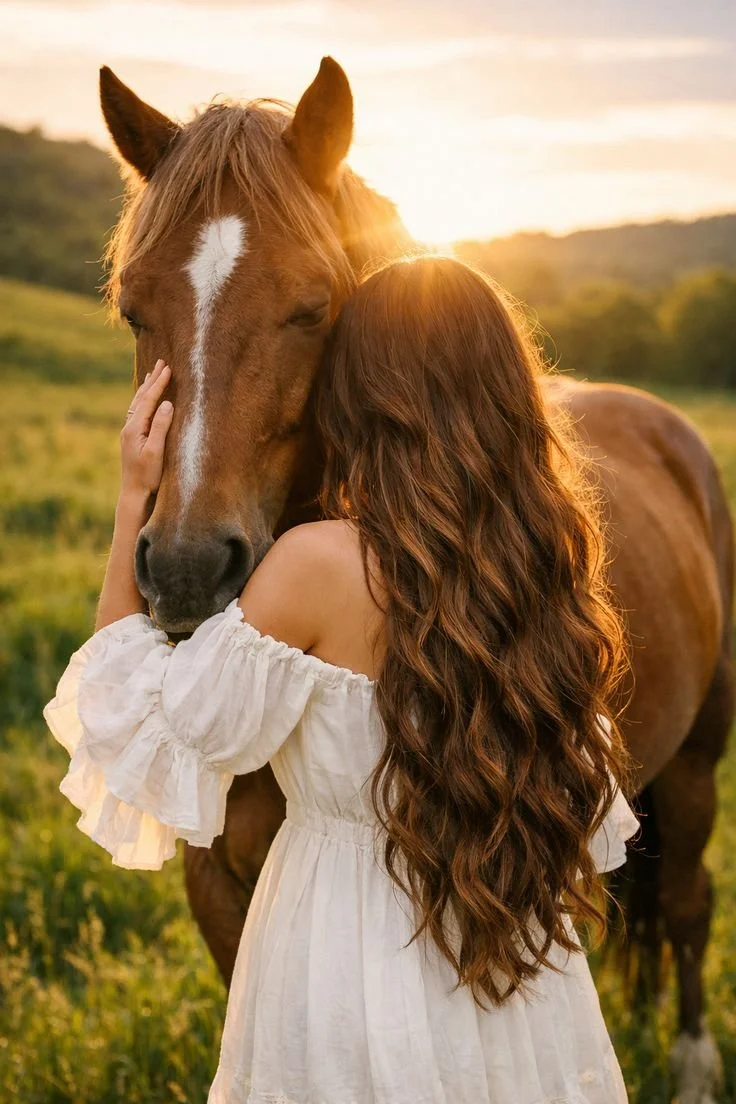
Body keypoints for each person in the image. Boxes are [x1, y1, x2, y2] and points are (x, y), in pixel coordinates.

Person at [44, 255, 639, 1104]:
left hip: (339, 956)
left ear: (351, 397)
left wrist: (134, 499)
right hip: (513, 967)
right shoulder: (542, 566)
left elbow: (135, 716)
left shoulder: (315, 565)